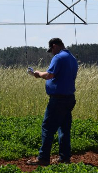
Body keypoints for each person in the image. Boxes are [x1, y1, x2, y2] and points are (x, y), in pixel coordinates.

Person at [27, 38, 78, 166]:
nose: (52, 53)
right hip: (69, 98)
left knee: (47, 128)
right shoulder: (72, 58)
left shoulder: (59, 57)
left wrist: (38, 73)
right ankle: (64, 158)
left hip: (58, 99)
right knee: (64, 128)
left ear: (54, 46)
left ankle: (43, 158)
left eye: (51, 50)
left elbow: (50, 75)